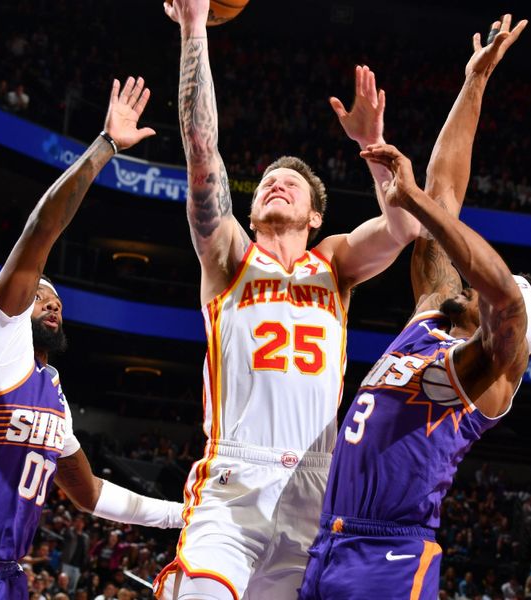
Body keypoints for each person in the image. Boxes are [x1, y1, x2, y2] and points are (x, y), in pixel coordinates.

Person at [157, 1, 417, 598]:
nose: (276, 181)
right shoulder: (228, 258)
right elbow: (203, 154)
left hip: (316, 487)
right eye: (269, 180)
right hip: (235, 479)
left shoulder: (336, 264)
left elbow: (403, 229)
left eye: (291, 182)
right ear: (250, 209)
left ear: (315, 214)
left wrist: (375, 147)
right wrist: (194, 28)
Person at [0, 76, 183, 599]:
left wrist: (182, 516)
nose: (52, 303)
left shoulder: (56, 399)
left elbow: (89, 494)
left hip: (7, 581)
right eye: (41, 294)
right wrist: (107, 146)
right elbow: (41, 231)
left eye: (58, 301)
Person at [300, 15, 531, 599]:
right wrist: (475, 84)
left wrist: (415, 201)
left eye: (493, 290)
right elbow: (444, 194)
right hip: (329, 542)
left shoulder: (484, 376)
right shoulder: (432, 318)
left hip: (390, 554)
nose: (469, 285)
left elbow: (503, 303)